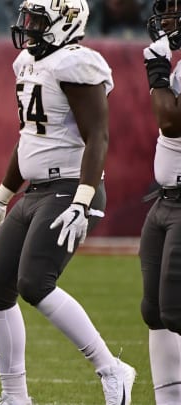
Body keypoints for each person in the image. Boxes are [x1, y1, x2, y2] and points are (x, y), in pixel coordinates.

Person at [0, 0, 136, 404]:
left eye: (37, 22)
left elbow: (98, 136)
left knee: (35, 283)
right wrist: (1, 197)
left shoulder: (78, 64)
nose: (27, 29)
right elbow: (30, 136)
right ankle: (16, 397)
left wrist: (82, 199)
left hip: (70, 188)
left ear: (66, 23)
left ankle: (112, 368)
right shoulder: (29, 63)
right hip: (36, 191)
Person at [140, 1, 181, 403]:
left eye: (175, 10)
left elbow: (172, 120)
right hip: (166, 200)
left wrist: (156, 73)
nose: (167, 20)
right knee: (154, 312)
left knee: (175, 311)